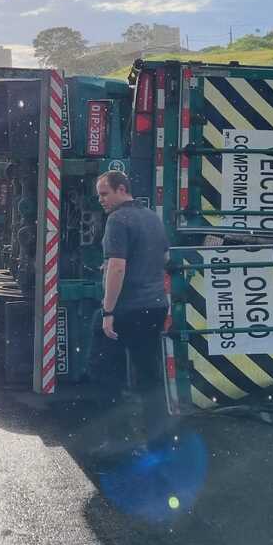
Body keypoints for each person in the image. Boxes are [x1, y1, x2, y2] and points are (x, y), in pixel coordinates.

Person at [97, 169, 171, 450]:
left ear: (121, 189)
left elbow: (117, 267)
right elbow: (164, 257)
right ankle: (159, 439)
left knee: (105, 370)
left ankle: (117, 439)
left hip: (127, 309)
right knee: (149, 375)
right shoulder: (152, 217)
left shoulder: (118, 220)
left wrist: (108, 312)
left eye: (104, 194)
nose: (101, 201)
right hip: (154, 306)